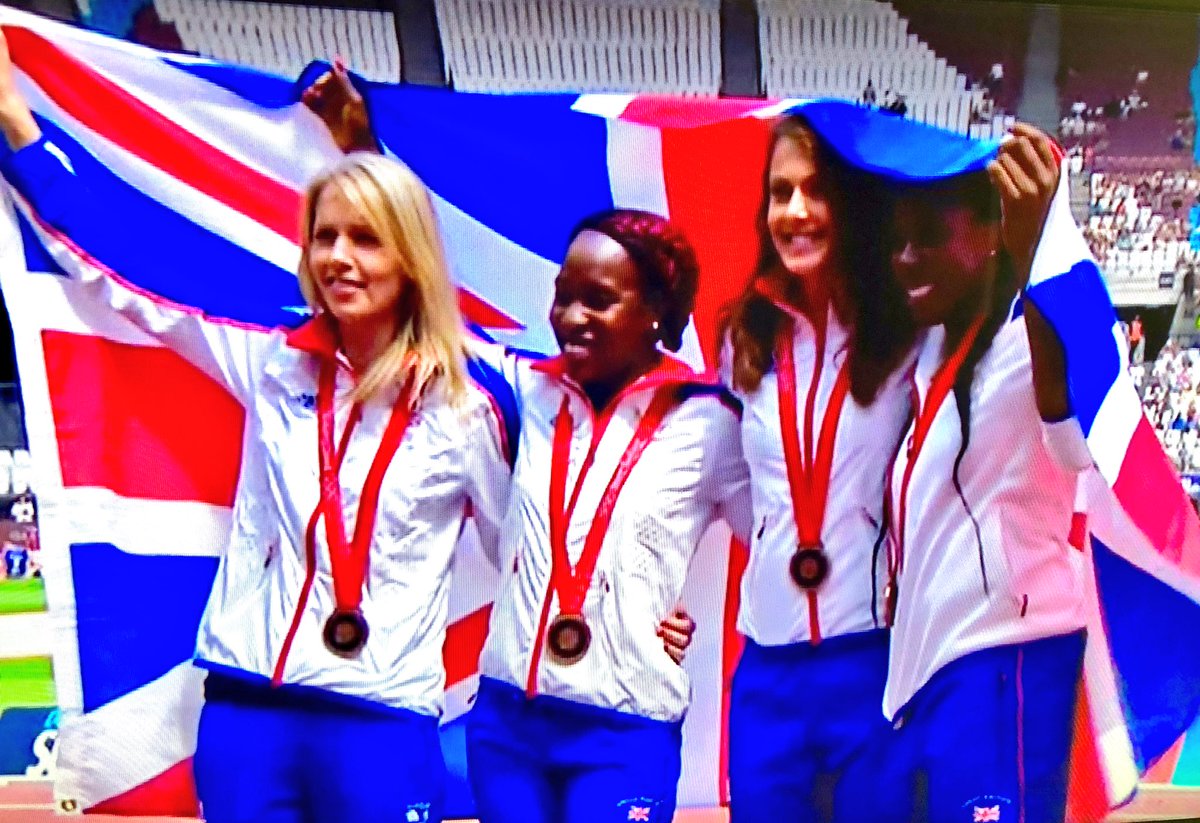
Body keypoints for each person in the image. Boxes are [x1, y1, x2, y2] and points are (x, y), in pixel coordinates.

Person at [0, 31, 514, 823]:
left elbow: (533, 548)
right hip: (249, 715)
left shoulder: (469, 400)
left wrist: (642, 620)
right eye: (325, 236)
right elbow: (124, 264)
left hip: (380, 722)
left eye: (365, 239)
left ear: (411, 257)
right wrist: (13, 115)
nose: (338, 257)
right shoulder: (271, 358)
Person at [465, 209, 751, 823]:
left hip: (625, 730)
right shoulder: (522, 390)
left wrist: (650, 606)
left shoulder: (709, 421)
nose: (571, 318)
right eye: (563, 296)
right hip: (508, 723)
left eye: (598, 300)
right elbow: (431, 329)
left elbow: (782, 535)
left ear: (655, 312)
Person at [880, 124, 1089, 822]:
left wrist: (1040, 252)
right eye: (896, 241)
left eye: (927, 238)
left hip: (1005, 660)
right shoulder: (928, 350)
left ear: (995, 232)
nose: (904, 258)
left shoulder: (1034, 333)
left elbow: (1075, 440)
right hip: (923, 676)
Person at [719, 111, 916, 822]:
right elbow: (734, 482)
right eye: (780, 193)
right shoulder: (743, 337)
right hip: (767, 670)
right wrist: (781, 541)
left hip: (873, 659)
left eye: (817, 190)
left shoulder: (909, 335)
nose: (795, 211)